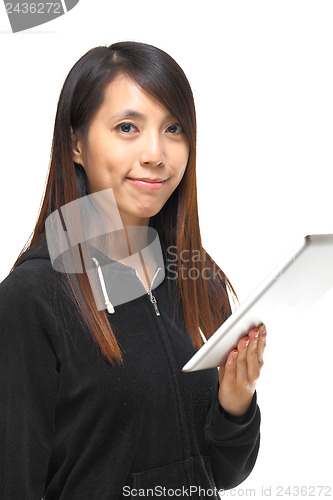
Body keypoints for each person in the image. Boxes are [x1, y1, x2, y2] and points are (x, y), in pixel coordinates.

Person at [0, 41, 266, 499]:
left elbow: (219, 474)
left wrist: (234, 406)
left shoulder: (195, 278)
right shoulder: (32, 298)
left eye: (174, 129)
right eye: (128, 127)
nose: (155, 153)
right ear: (77, 144)